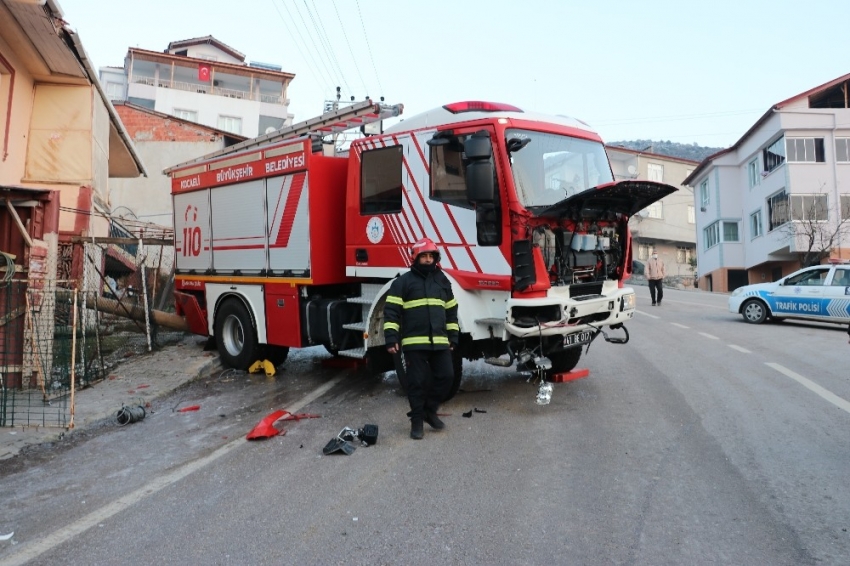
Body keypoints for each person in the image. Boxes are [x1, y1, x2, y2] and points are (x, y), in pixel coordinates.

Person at [384, 237, 459, 439]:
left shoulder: (442, 281)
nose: (427, 260)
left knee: (447, 377)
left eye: (431, 256)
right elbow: (391, 311)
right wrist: (391, 338)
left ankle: (429, 410)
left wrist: (453, 336)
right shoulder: (403, 282)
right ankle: (416, 422)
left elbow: (451, 311)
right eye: (423, 256)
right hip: (414, 342)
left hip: (440, 341)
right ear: (415, 258)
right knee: (416, 383)